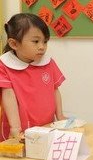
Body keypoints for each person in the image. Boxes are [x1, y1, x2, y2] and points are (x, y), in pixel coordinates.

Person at [0, 13, 66, 141]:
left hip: (46, 126)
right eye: (36, 41)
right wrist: (15, 127)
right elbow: (7, 95)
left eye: (45, 41)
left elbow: (55, 90)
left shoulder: (48, 62)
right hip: (18, 131)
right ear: (14, 44)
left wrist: (60, 115)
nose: (42, 47)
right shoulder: (4, 65)